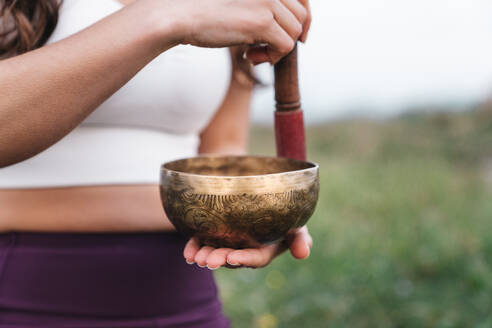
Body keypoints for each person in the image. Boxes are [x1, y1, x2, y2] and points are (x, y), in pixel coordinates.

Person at [0, 0, 313, 326]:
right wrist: (168, 16)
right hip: (20, 291)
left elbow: (221, 152)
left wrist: (261, 221)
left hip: (185, 297)